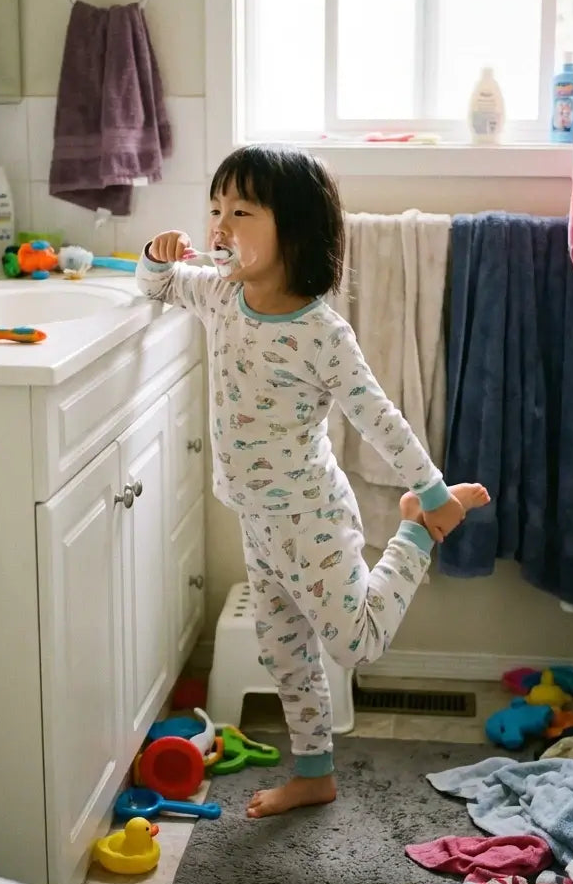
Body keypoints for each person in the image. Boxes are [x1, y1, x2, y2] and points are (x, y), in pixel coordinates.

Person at [136, 144, 489, 817]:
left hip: (312, 516)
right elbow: (156, 288)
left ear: (294, 229)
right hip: (257, 520)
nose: (221, 226)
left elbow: (380, 419)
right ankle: (315, 772)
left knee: (355, 642)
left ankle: (416, 530)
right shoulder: (218, 293)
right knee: (283, 651)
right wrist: (156, 257)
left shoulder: (321, 333)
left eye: (242, 211)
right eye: (216, 209)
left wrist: (436, 493)